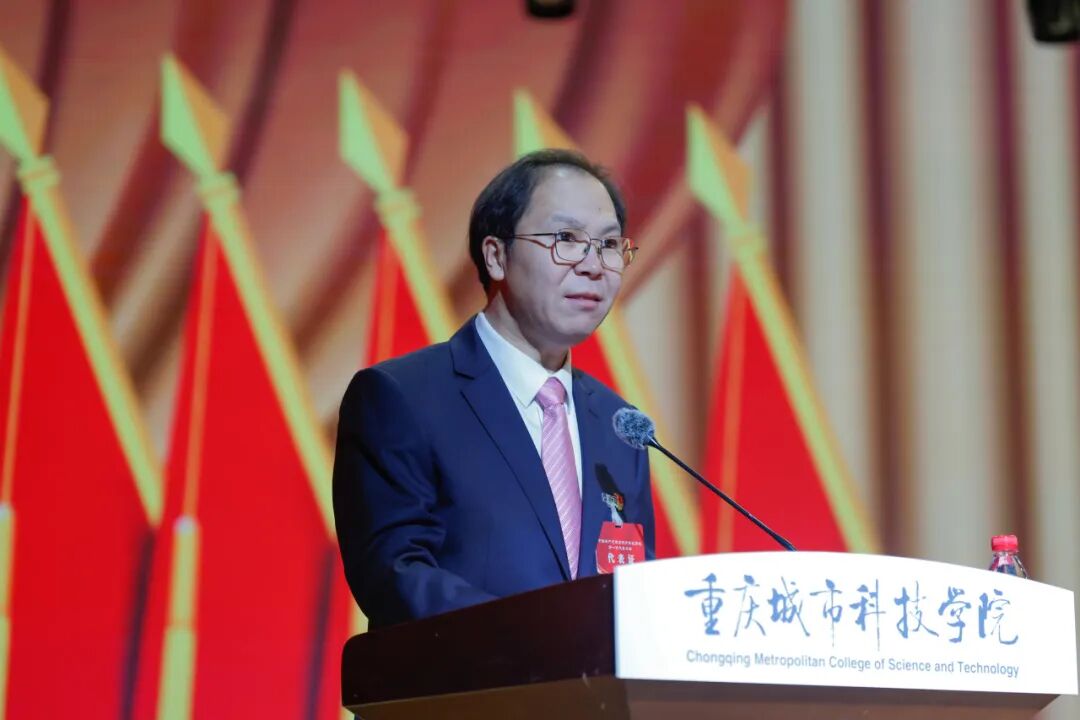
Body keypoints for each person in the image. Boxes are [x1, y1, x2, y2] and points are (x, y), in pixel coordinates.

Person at [332, 149, 656, 629]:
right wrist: (537, 637)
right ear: (496, 256)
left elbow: (634, 586)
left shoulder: (619, 425)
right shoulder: (402, 398)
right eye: (566, 239)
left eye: (609, 245)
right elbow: (395, 574)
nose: (594, 265)